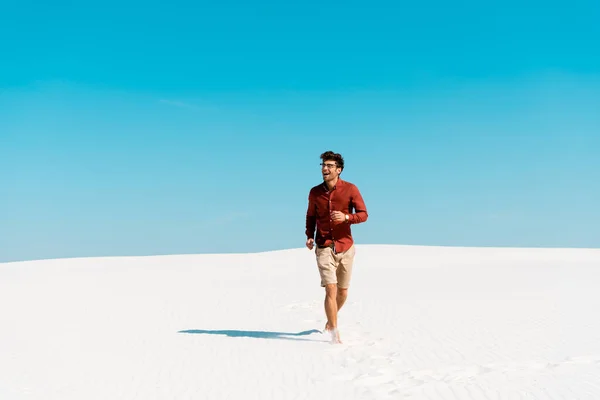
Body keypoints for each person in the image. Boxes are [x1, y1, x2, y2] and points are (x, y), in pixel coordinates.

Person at [305, 150, 368, 344]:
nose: (325, 168)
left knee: (342, 292)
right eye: (323, 165)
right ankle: (334, 334)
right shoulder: (315, 192)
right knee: (330, 289)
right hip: (324, 245)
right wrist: (309, 236)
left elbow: (363, 214)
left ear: (338, 170)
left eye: (330, 166)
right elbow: (311, 217)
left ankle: (329, 321)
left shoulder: (350, 189)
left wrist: (346, 217)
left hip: (345, 246)